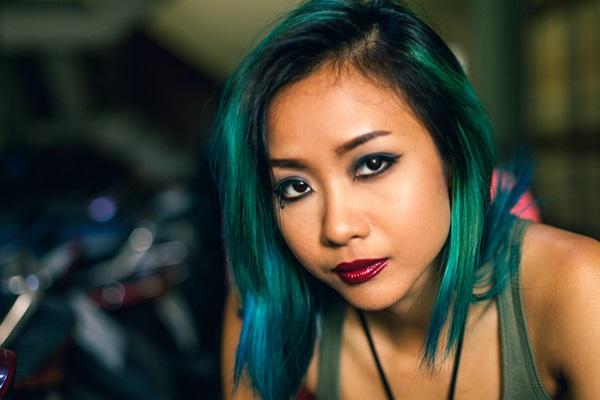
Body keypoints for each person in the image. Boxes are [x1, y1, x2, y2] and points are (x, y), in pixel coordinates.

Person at [211, 1, 600, 399]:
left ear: (452, 151)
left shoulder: (581, 288)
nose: (338, 228)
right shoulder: (266, 309)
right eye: (295, 187)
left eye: (372, 164)